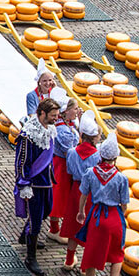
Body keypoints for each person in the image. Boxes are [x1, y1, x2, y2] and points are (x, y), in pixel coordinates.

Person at [74, 131, 129, 276]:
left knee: (91, 253)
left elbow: (83, 195)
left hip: (96, 216)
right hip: (114, 217)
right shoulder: (121, 178)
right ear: (115, 157)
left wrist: (81, 212)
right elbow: (124, 204)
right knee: (117, 254)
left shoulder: (90, 173)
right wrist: (121, 216)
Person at [14, 98, 59, 276]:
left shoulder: (50, 129)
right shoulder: (28, 136)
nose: (56, 118)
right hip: (34, 184)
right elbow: (21, 162)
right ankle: (30, 257)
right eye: (53, 115)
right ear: (42, 113)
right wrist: (24, 184)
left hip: (46, 181)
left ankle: (25, 236)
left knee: (47, 210)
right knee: (35, 221)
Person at [61, 110, 101, 269]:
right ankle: (85, 267)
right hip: (91, 193)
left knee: (73, 226)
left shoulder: (72, 152)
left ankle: (69, 260)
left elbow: (69, 171)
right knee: (89, 229)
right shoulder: (97, 156)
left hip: (76, 190)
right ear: (94, 138)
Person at [48, 88, 79, 244]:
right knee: (58, 197)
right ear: (66, 111)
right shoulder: (62, 130)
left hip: (63, 165)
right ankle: (54, 230)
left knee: (62, 197)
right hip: (62, 166)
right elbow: (70, 153)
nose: (77, 111)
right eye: (75, 109)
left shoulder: (67, 124)